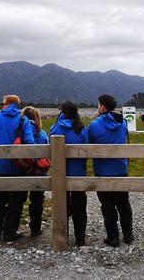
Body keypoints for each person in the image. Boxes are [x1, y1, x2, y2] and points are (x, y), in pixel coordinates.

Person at [0, 95, 35, 242]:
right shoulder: (23, 120)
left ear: (8, 104)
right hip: (18, 167)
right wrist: (32, 160)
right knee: (16, 201)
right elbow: (30, 142)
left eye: (2, 103)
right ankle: (10, 232)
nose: (1, 106)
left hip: (0, 166)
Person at [88, 94, 133, 247]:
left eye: (98, 105)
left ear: (102, 107)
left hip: (103, 170)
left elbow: (89, 144)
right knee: (123, 202)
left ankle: (113, 237)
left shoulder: (94, 125)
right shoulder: (123, 123)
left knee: (107, 204)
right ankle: (128, 234)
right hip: (121, 168)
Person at [50, 101, 88, 246]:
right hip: (78, 173)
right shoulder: (81, 128)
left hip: (60, 174)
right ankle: (80, 238)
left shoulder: (56, 128)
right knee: (80, 206)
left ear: (62, 112)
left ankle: (62, 236)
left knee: (61, 205)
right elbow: (86, 149)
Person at [22, 106, 49, 238]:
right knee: (37, 201)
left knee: (17, 199)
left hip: (22, 171)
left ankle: (12, 226)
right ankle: (35, 228)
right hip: (39, 171)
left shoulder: (19, 133)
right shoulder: (42, 133)